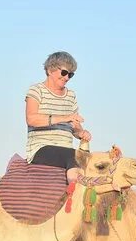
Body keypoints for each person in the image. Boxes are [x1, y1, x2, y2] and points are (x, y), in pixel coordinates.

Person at [25, 51, 91, 183]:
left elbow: (75, 126)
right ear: (50, 70)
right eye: (64, 72)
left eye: (71, 74)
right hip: (41, 147)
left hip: (66, 149)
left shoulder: (71, 95)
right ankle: (74, 192)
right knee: (74, 156)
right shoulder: (36, 90)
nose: (67, 77)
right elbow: (31, 119)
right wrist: (64, 118)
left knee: (89, 161)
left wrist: (81, 133)